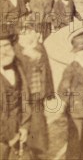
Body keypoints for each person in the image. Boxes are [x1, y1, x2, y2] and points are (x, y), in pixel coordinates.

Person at [14, 18, 55, 160]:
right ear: (19, 34)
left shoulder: (39, 47)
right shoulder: (15, 51)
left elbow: (47, 70)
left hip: (37, 95)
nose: (27, 35)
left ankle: (40, 155)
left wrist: (49, 91)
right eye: (23, 32)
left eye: (30, 31)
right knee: (22, 127)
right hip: (20, 99)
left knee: (39, 128)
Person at [57, 34, 83, 160]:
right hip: (76, 111)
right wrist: (73, 103)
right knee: (75, 141)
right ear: (76, 52)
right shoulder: (71, 68)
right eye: (82, 50)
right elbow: (62, 90)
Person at [0, 27, 31, 159]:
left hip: (18, 128)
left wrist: (24, 126)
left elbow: (25, 99)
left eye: (6, 45)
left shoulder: (18, 67)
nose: (3, 51)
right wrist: (8, 136)